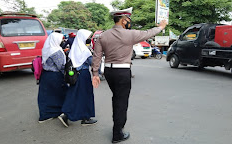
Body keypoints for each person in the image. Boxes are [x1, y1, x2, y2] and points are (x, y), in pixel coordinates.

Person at [91, 7, 168, 143]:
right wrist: (161, 27)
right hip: (123, 72)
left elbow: (96, 56)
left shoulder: (103, 35)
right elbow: (148, 33)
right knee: (121, 101)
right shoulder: (130, 34)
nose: (129, 22)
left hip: (108, 72)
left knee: (116, 98)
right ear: (123, 20)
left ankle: (118, 126)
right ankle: (117, 134)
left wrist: (95, 74)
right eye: (128, 20)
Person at [58, 29, 97, 127]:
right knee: (86, 95)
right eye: (87, 37)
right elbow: (93, 63)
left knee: (74, 94)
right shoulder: (84, 50)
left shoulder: (74, 48)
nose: (88, 39)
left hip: (74, 75)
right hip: (83, 75)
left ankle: (79, 116)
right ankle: (76, 116)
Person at [37, 32, 67, 123]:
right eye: (61, 40)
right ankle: (58, 112)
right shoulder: (56, 51)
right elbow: (61, 66)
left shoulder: (47, 49)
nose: (63, 41)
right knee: (58, 94)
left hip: (45, 75)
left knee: (46, 95)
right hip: (55, 76)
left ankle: (45, 115)